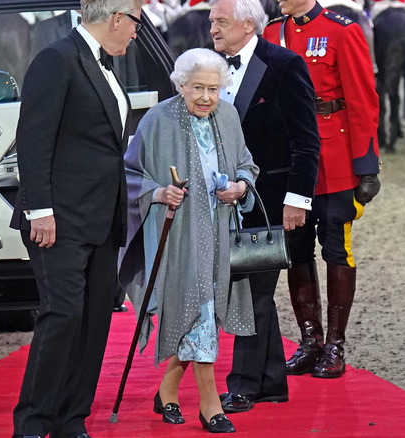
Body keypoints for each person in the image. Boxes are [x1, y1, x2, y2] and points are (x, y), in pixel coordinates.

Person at [8, 1, 143, 437]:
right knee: (63, 315)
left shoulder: (104, 65)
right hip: (59, 221)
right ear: (118, 18)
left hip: (102, 220)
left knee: (93, 321)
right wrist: (39, 211)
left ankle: (71, 420)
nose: (137, 33)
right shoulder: (56, 59)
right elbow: (32, 139)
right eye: (136, 23)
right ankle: (32, 423)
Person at [118, 47, 259, 433]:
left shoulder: (228, 116)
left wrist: (240, 186)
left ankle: (166, 392)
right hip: (178, 235)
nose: (206, 98)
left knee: (205, 311)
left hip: (220, 232)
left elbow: (246, 162)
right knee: (197, 309)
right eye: (197, 88)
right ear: (180, 85)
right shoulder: (158, 119)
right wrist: (159, 192)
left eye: (213, 89)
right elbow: (129, 174)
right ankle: (210, 405)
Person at [209, 0, 320, 413]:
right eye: (211, 22)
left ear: (249, 23)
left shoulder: (285, 65)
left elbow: (307, 142)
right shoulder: (209, 67)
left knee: (250, 293)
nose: (213, 29)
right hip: (224, 204)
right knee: (253, 292)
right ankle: (271, 381)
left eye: (221, 21)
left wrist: (297, 200)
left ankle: (242, 385)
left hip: (272, 204)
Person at [263, 0, 381, 379]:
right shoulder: (271, 31)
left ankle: (335, 344)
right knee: (296, 249)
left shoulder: (342, 30)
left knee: (336, 250)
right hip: (290, 162)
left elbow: (363, 99)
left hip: (333, 158)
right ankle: (310, 342)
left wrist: (366, 163)